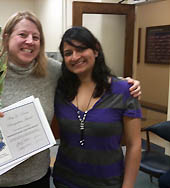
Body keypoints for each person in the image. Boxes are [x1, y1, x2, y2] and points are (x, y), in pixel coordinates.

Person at [0, 11, 141, 188]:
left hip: (36, 178)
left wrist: (123, 84)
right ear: (6, 37)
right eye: (22, 35)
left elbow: (85, 74)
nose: (30, 41)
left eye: (35, 37)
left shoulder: (52, 72)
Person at [52, 26, 142, 188]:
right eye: (68, 53)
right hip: (65, 179)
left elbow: (134, 144)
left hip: (107, 182)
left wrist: (128, 186)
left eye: (81, 49)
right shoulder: (60, 91)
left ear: (96, 50)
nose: (75, 57)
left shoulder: (123, 91)